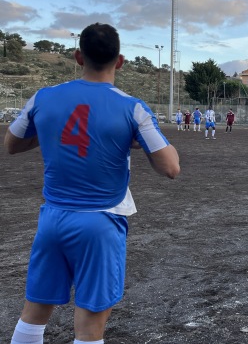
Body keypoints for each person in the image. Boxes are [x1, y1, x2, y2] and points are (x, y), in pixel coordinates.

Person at [3, 23, 180, 344]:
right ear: (121, 61)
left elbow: (12, 144)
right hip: (100, 221)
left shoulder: (43, 97)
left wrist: (50, 133)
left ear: (77, 57)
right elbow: (170, 168)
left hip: (53, 219)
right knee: (88, 329)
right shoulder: (132, 107)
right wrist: (133, 140)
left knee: (33, 315)